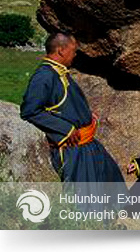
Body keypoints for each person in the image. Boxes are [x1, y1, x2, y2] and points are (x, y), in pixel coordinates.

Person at [20, 31, 125, 184]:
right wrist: (65, 128)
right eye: (73, 50)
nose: (75, 54)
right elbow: (29, 111)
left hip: (87, 145)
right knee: (84, 201)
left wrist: (85, 115)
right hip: (73, 150)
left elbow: (64, 104)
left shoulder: (58, 71)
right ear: (61, 50)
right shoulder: (44, 76)